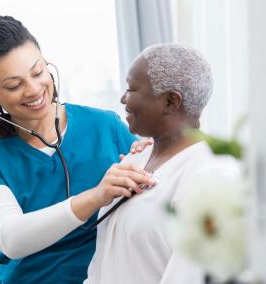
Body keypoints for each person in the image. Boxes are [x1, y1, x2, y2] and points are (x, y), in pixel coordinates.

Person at [0, 16, 154, 283]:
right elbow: (11, 238)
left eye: (38, 71)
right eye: (14, 85)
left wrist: (156, 157)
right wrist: (96, 197)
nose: (34, 90)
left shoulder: (105, 127)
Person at [85, 43, 240, 284]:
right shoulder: (135, 159)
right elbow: (104, 260)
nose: (123, 98)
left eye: (132, 89)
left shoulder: (211, 175)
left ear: (170, 101)